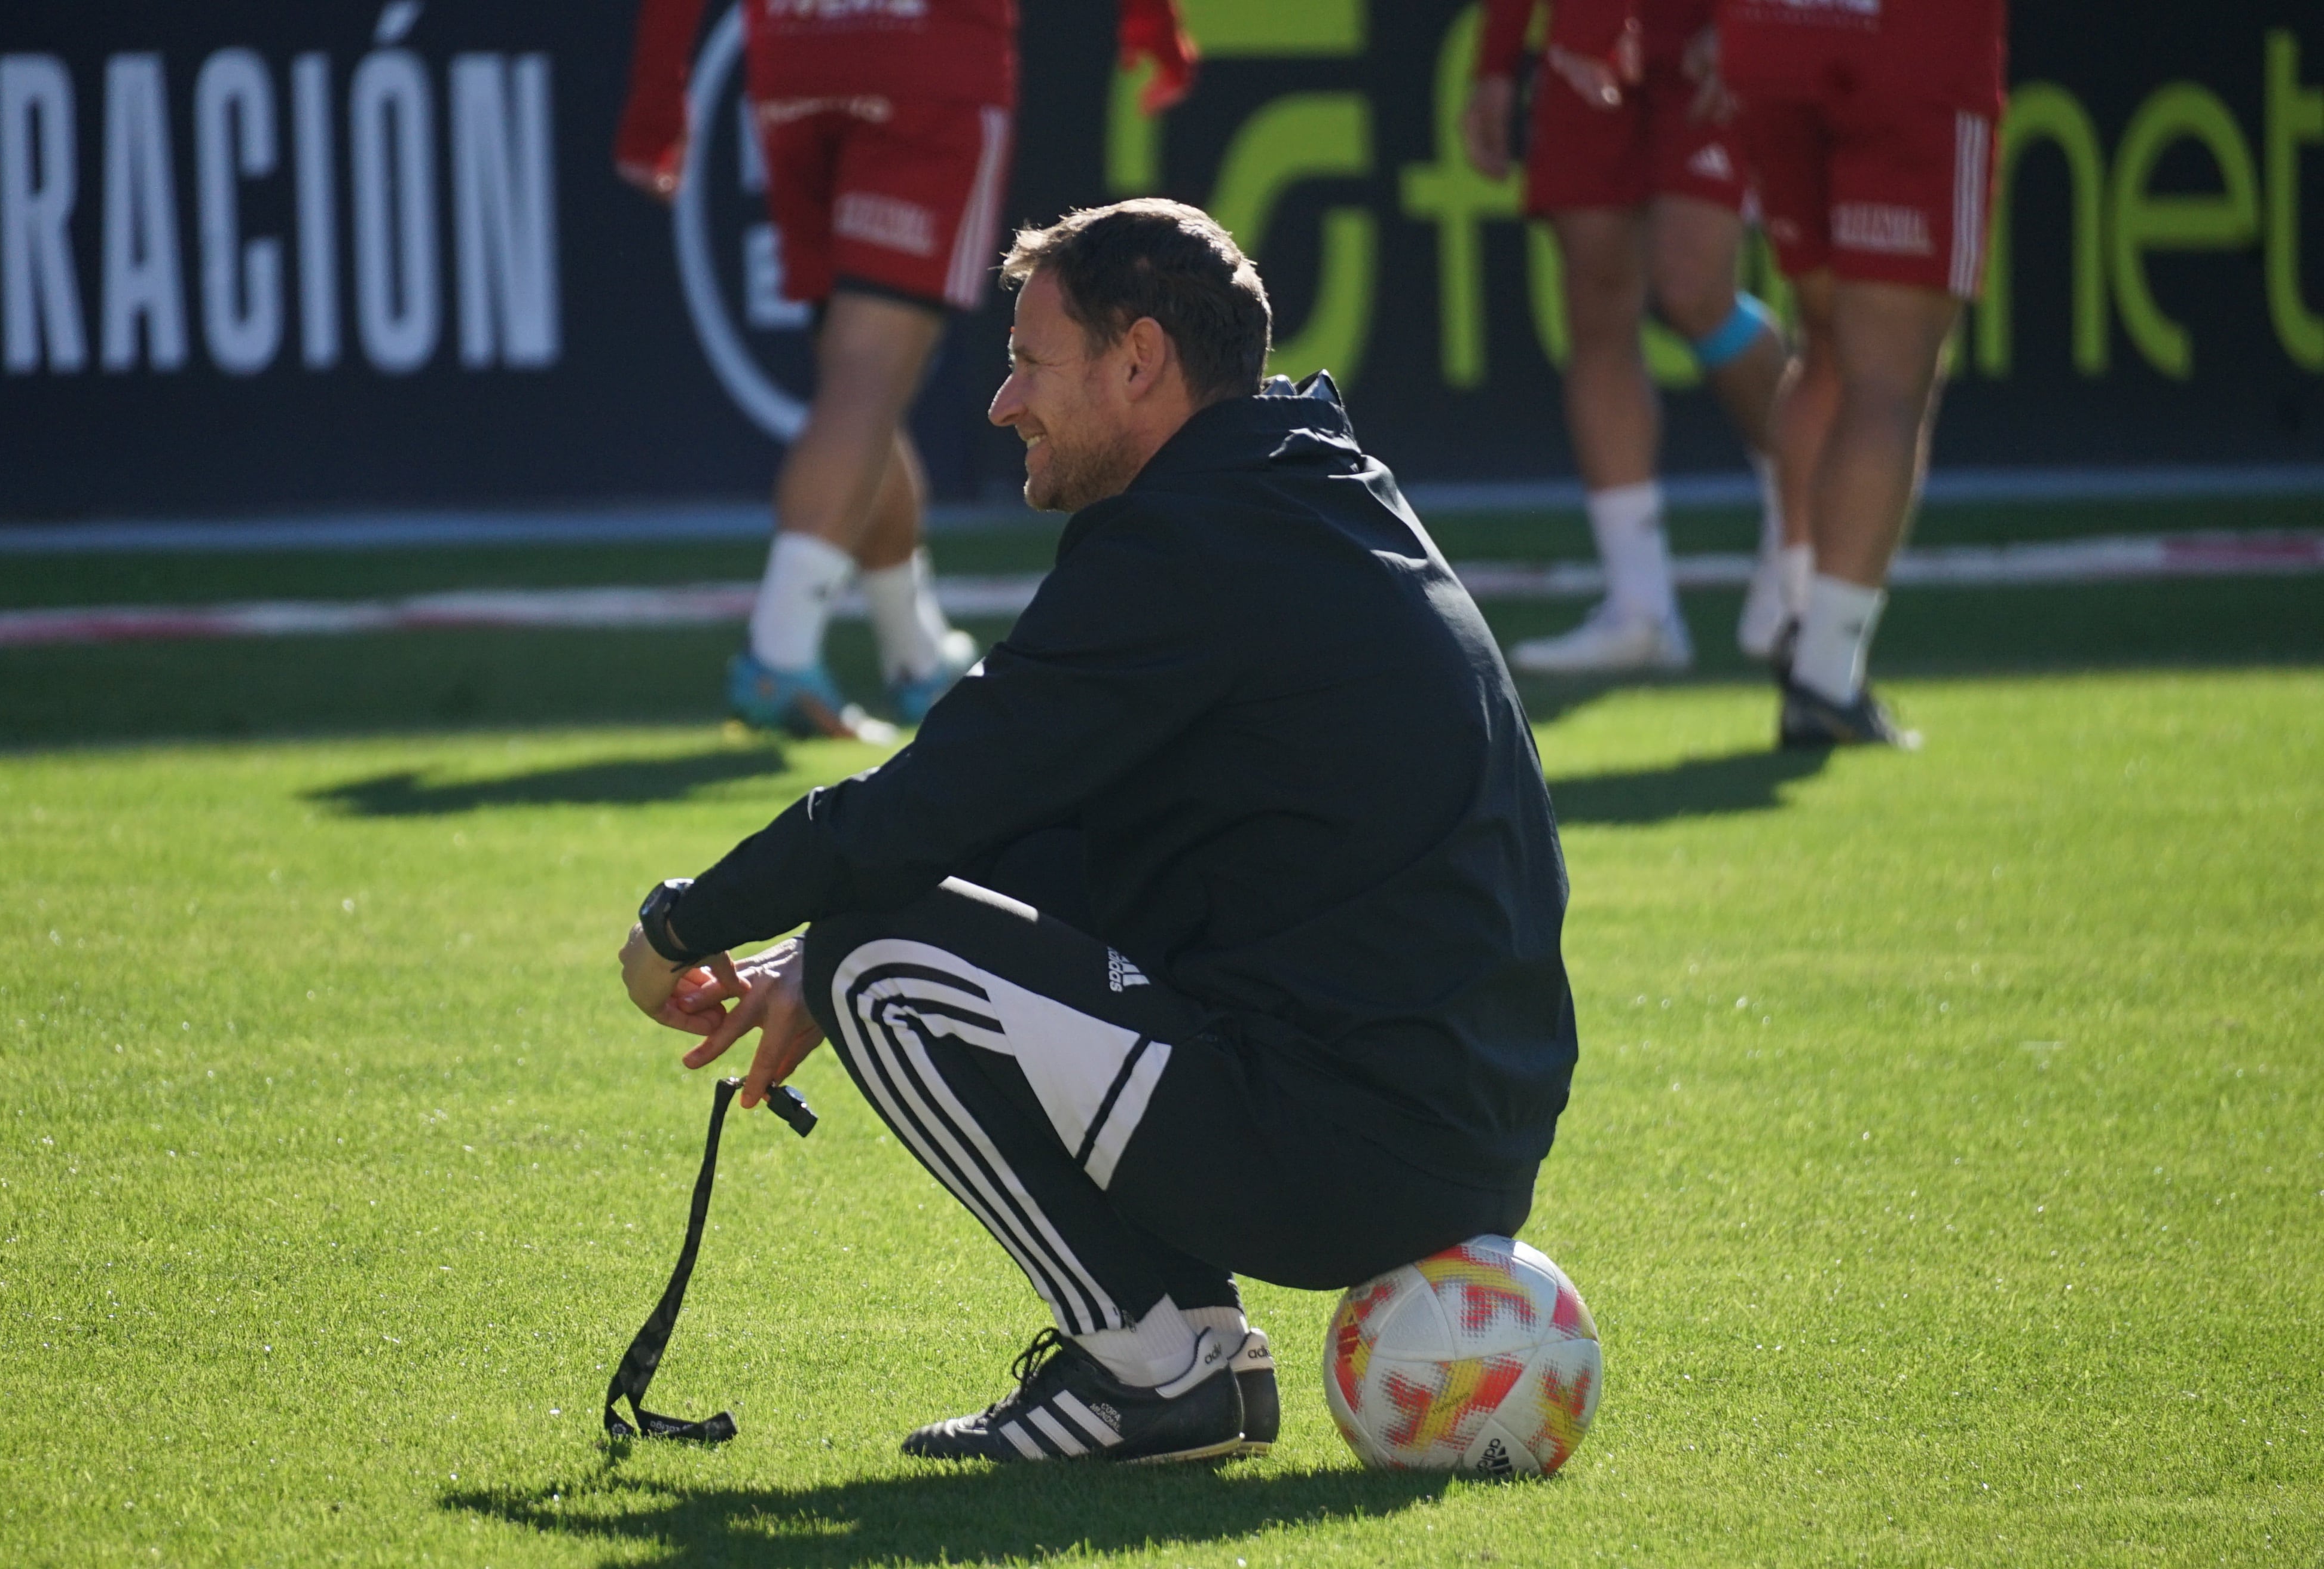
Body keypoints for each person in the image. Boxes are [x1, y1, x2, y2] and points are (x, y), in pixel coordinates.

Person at [616, 201, 1580, 1463]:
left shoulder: (1188, 540)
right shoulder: (1308, 487)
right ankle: (1194, 1354)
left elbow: (935, 797)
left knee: (877, 955)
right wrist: (797, 955)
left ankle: (1153, 1364)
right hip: (1458, 1138)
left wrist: (683, 923)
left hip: (1348, 1150)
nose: (1004, 402)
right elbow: (1056, 818)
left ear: (1138, 360)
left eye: (1029, 360)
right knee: (881, 930)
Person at [613, 0, 1198, 738]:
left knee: (859, 386)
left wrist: (655, 98)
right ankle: (779, 650)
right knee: (868, 374)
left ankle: (915, 653)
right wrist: (1153, 25)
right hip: (927, 59)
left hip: (797, 59)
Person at [1464, 0, 1807, 675]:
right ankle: (1641, 607)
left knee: (1694, 290)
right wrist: (1497, 61)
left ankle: (1799, 520)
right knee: (1596, 310)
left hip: (1709, 39)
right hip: (1581, 45)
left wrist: (1747, 28)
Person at [1718, 0, 2008, 746]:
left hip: (1774, 40)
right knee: (1887, 377)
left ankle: (1797, 614)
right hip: (1910, 49)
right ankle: (1825, 670)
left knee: (1829, 348)